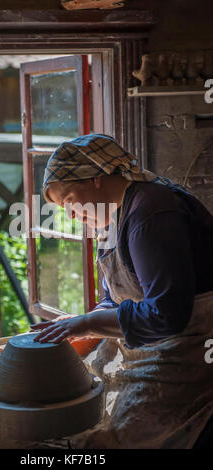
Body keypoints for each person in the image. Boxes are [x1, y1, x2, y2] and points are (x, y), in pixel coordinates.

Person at [30, 133, 213, 449]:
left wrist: (87, 324)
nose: (71, 215)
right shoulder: (112, 218)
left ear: (97, 179)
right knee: (85, 396)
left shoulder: (152, 213)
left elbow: (168, 315)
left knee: (116, 435)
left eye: (70, 200)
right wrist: (90, 318)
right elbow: (112, 298)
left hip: (190, 345)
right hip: (147, 341)